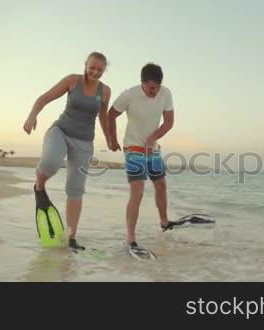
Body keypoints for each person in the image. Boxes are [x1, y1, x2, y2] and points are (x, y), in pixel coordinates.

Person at [23, 52, 111, 251]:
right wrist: (32, 116)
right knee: (50, 163)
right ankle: (39, 186)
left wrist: (110, 139)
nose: (95, 72)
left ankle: (71, 238)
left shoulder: (105, 91)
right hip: (60, 132)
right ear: (86, 64)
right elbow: (44, 98)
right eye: (92, 67)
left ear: (104, 70)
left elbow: (103, 117)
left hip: (84, 142)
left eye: (100, 69)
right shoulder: (73, 81)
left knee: (75, 189)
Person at [107, 63, 174, 256]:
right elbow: (111, 115)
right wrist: (111, 139)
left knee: (161, 184)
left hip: (152, 149)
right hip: (133, 147)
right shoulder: (129, 95)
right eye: (151, 88)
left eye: (157, 87)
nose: (155, 91)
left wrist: (153, 138)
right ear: (142, 83)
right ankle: (130, 239)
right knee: (138, 191)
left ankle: (164, 223)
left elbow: (169, 122)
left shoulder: (165, 93)